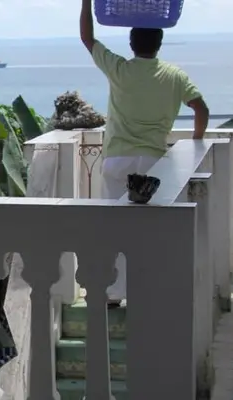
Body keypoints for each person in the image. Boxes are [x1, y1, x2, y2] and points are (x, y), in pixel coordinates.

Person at [79, 0, 210, 304]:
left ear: (131, 43)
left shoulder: (119, 68)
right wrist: (196, 140)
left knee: (115, 228)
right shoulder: (175, 76)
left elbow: (87, 38)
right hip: (153, 164)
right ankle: (147, 292)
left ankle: (114, 293)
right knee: (149, 231)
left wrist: (86, 2)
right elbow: (201, 109)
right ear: (159, 43)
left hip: (117, 161)